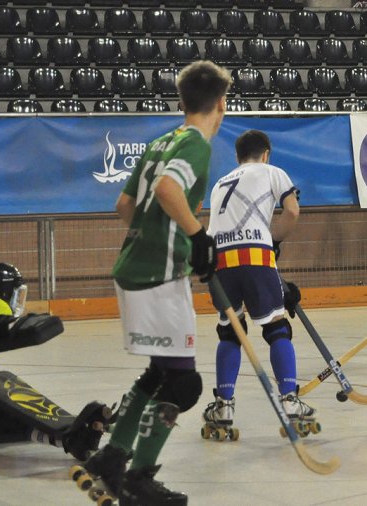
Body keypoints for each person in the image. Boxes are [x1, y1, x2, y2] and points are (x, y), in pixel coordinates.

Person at [84, 61, 231, 506]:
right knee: (183, 384)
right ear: (221, 105)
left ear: (182, 101)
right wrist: (196, 236)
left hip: (134, 266)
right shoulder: (197, 145)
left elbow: (124, 204)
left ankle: (112, 458)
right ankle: (139, 479)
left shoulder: (159, 141)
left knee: (159, 372)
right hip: (159, 274)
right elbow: (168, 190)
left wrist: (161, 236)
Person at [201, 129, 312, 439]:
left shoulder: (221, 183)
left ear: (237, 157)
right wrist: (274, 240)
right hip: (254, 255)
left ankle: (224, 405)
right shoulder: (273, 171)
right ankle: (289, 401)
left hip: (219, 261)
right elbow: (292, 211)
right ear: (266, 154)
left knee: (230, 331)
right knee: (277, 328)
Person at [0, 262, 109, 461]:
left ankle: (65, 440)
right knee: (2, 396)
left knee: (1, 418)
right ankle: (69, 437)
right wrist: (11, 326)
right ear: (4, 290)